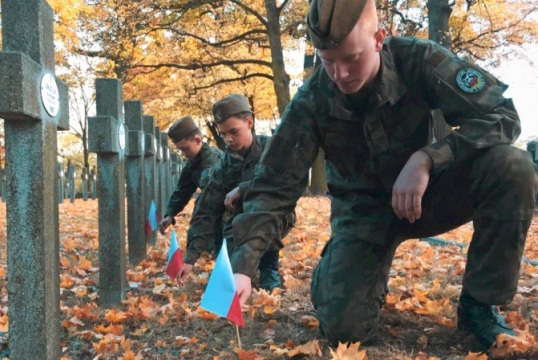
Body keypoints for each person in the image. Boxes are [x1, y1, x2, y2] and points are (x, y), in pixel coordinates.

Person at [229, 0, 538, 350]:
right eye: (328, 61)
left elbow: (502, 115)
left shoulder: (419, 60)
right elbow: (273, 187)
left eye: (351, 59)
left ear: (379, 38)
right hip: (362, 217)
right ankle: (338, 274)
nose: (340, 75)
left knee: (512, 167)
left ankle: (479, 305)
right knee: (344, 329)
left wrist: (428, 158)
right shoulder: (311, 100)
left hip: (426, 196)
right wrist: (244, 266)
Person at [178, 94, 295, 291]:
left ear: (249, 122)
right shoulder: (225, 164)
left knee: (267, 210)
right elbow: (207, 208)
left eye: (233, 131)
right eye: (223, 134)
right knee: (230, 274)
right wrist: (190, 257)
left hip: (274, 215)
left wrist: (244, 188)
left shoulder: (272, 148)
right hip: (238, 222)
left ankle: (269, 265)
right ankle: (247, 263)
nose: (228, 139)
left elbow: (287, 184)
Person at [158, 116, 223, 252]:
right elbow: (183, 190)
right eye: (180, 150)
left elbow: (210, 195)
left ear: (198, 140)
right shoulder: (194, 161)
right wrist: (170, 214)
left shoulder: (211, 159)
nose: (184, 153)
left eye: (185, 148)